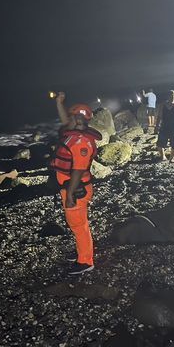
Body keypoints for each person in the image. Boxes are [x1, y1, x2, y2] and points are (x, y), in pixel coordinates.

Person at [50, 92, 102, 275]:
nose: (67, 121)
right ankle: (82, 250)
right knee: (78, 224)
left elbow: (78, 171)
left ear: (78, 121)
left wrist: (70, 195)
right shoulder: (74, 133)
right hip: (70, 187)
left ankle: (85, 261)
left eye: (71, 117)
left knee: (79, 225)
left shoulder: (80, 143)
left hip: (76, 189)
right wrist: (59, 103)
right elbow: (65, 121)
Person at [155, 90, 174, 162]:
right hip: (164, 127)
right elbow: (159, 116)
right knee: (160, 144)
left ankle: (171, 159)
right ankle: (163, 157)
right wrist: (157, 126)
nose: (173, 97)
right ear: (167, 96)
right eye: (171, 95)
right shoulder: (163, 105)